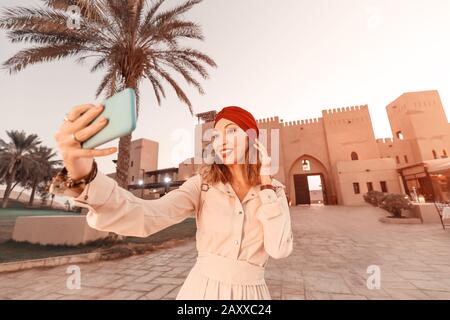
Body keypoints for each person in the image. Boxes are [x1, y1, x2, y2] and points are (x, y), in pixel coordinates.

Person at [51, 104, 294, 300]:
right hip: (201, 293)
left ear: (253, 138)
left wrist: (266, 185)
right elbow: (148, 215)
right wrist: (85, 176)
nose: (222, 141)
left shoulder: (274, 191)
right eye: (216, 135)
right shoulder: (202, 185)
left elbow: (279, 249)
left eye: (231, 131)